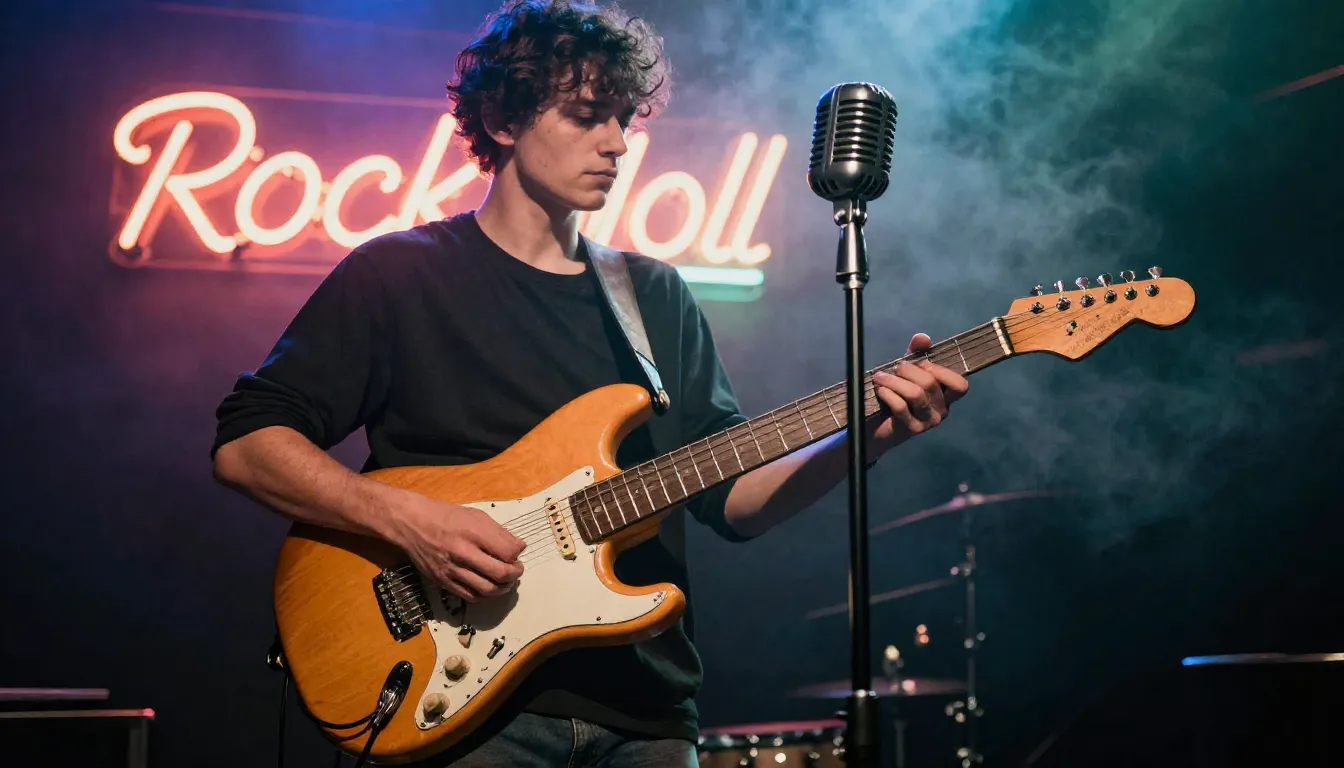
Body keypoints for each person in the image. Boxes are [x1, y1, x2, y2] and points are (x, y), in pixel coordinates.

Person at [210, 1, 969, 765]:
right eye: (585, 116)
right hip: (464, 713)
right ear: (502, 119)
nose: (617, 143)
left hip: (646, 714)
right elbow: (247, 445)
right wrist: (412, 522)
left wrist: (866, 439)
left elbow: (732, 503)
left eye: (623, 119)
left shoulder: (653, 295)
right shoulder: (397, 275)